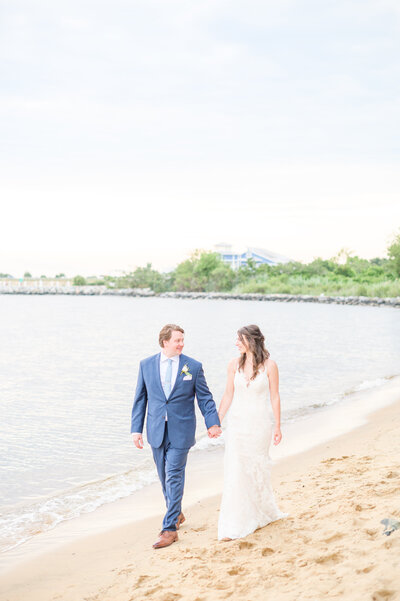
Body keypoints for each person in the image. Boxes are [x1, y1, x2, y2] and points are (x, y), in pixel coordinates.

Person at [131, 324, 222, 549]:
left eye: (182, 340)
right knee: (163, 477)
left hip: (181, 431)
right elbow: (140, 399)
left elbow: (205, 398)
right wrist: (136, 429)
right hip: (156, 430)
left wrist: (213, 422)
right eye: (177, 340)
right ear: (165, 342)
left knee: (173, 474)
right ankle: (177, 513)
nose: (181, 344)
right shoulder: (146, 365)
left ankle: (169, 528)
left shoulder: (193, 366)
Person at [217, 324, 288, 541]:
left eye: (240, 339)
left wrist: (277, 425)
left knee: (257, 468)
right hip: (237, 424)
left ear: (251, 340)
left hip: (260, 424)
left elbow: (274, 396)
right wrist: (216, 421)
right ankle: (237, 519)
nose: (236, 343)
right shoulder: (233, 365)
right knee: (237, 468)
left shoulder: (270, 366)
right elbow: (228, 394)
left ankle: (260, 511)